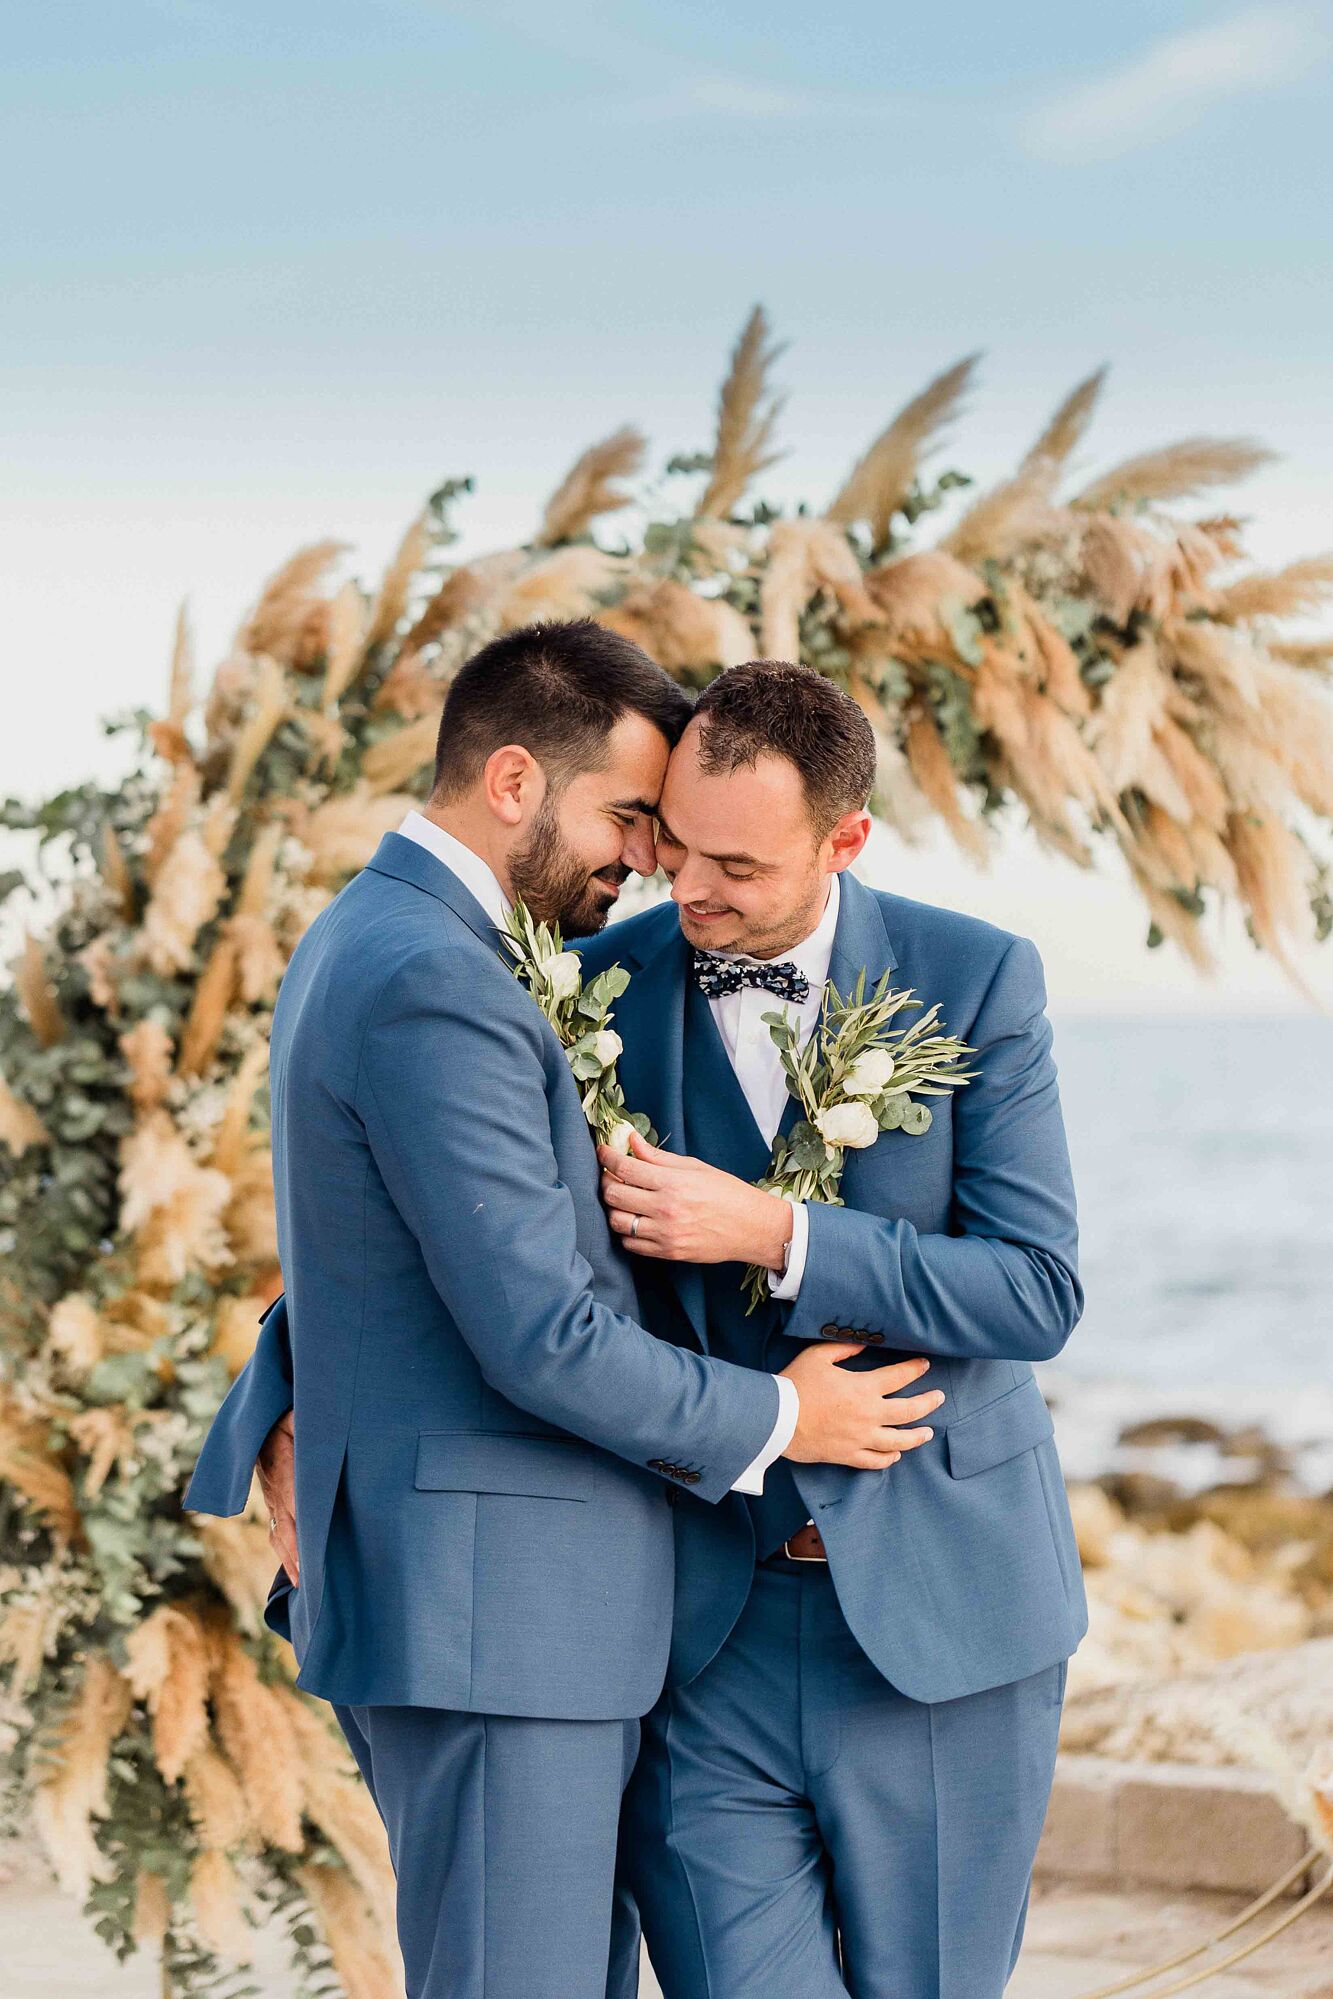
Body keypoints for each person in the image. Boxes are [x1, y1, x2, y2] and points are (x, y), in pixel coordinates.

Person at [183, 622, 928, 1999]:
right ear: (515, 781)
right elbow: (538, 1333)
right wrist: (787, 1413)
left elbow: (392, 1251)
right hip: (495, 1620)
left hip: (509, 1615)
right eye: (631, 819)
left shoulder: (399, 938)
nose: (649, 860)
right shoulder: (433, 978)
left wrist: (287, 1392)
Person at [582, 659, 1088, 1999]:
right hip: (699, 1629)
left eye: (736, 866)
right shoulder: (587, 993)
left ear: (843, 841)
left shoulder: (974, 978)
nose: (688, 889)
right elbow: (481, 1255)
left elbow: (1035, 1290)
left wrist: (775, 1235)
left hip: (945, 1627)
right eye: (674, 846)